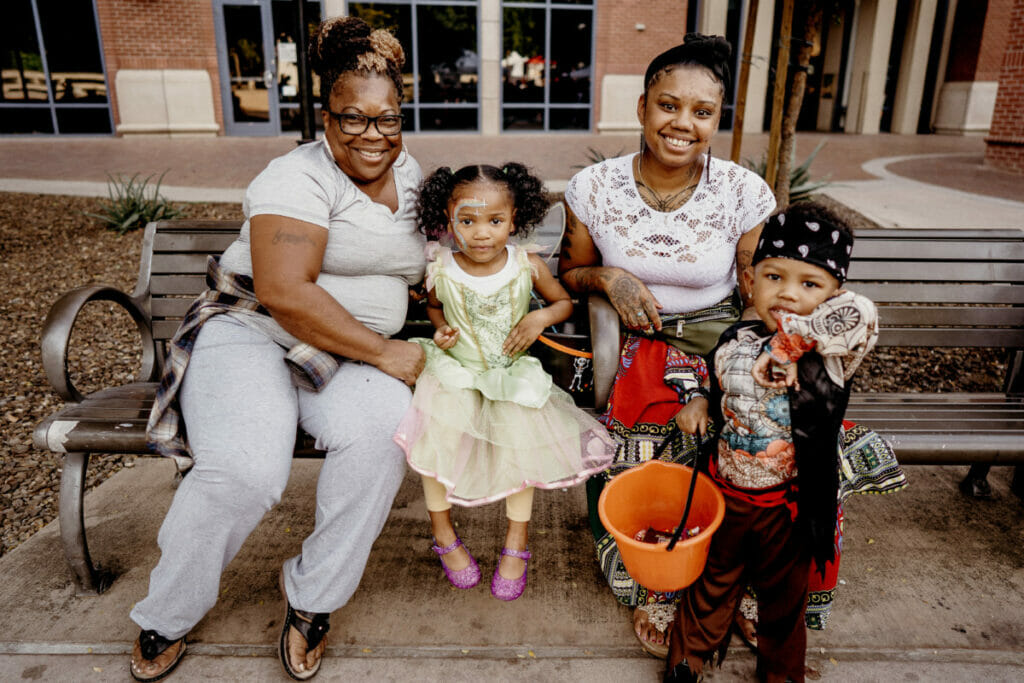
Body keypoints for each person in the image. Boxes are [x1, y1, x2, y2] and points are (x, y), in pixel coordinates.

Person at [131, 17, 423, 682]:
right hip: (252, 330)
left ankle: (312, 597)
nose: (372, 135)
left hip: (339, 355)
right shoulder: (293, 177)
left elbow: (432, 252)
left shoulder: (411, 172)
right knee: (242, 471)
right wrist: (384, 350)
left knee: (385, 433)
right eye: (353, 118)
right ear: (325, 117)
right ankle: (169, 611)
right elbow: (286, 293)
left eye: (388, 119)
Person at [558, 34, 776, 657]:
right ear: (643, 106)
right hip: (634, 343)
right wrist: (609, 275)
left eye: (702, 112)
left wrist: (742, 373)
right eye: (668, 105)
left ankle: (745, 574)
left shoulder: (741, 190)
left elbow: (757, 288)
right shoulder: (594, 187)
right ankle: (658, 572)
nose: (683, 124)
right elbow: (569, 274)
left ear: (717, 119)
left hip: (719, 336)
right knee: (649, 440)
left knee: (765, 435)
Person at [664, 203, 880, 683]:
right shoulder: (734, 338)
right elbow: (717, 387)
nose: (786, 294)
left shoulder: (833, 351)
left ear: (832, 295)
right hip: (727, 494)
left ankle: (780, 673)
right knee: (713, 581)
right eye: (774, 277)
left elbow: (862, 314)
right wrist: (698, 400)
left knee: (784, 598)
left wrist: (789, 342)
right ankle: (689, 656)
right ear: (751, 281)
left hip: (791, 505)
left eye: (809, 284)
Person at [394, 163, 615, 601]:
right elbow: (436, 307)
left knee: (521, 446)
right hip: (455, 373)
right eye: (468, 221)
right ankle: (444, 535)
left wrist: (539, 316)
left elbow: (563, 303)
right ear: (449, 219)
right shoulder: (440, 266)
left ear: (514, 220)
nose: (481, 234)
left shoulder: (526, 265)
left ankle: (517, 544)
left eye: (495, 221)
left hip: (510, 377)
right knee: (436, 440)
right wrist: (440, 329)